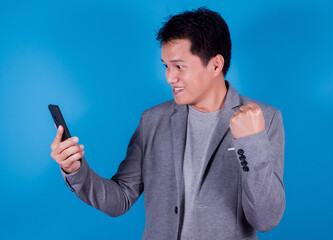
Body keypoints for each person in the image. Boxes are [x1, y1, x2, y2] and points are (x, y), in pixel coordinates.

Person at [50, 7, 285, 240]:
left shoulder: (265, 119)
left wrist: (251, 142)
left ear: (215, 65)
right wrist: (75, 170)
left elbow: (266, 219)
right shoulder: (152, 121)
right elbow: (120, 199)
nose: (170, 77)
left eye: (179, 66)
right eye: (166, 66)